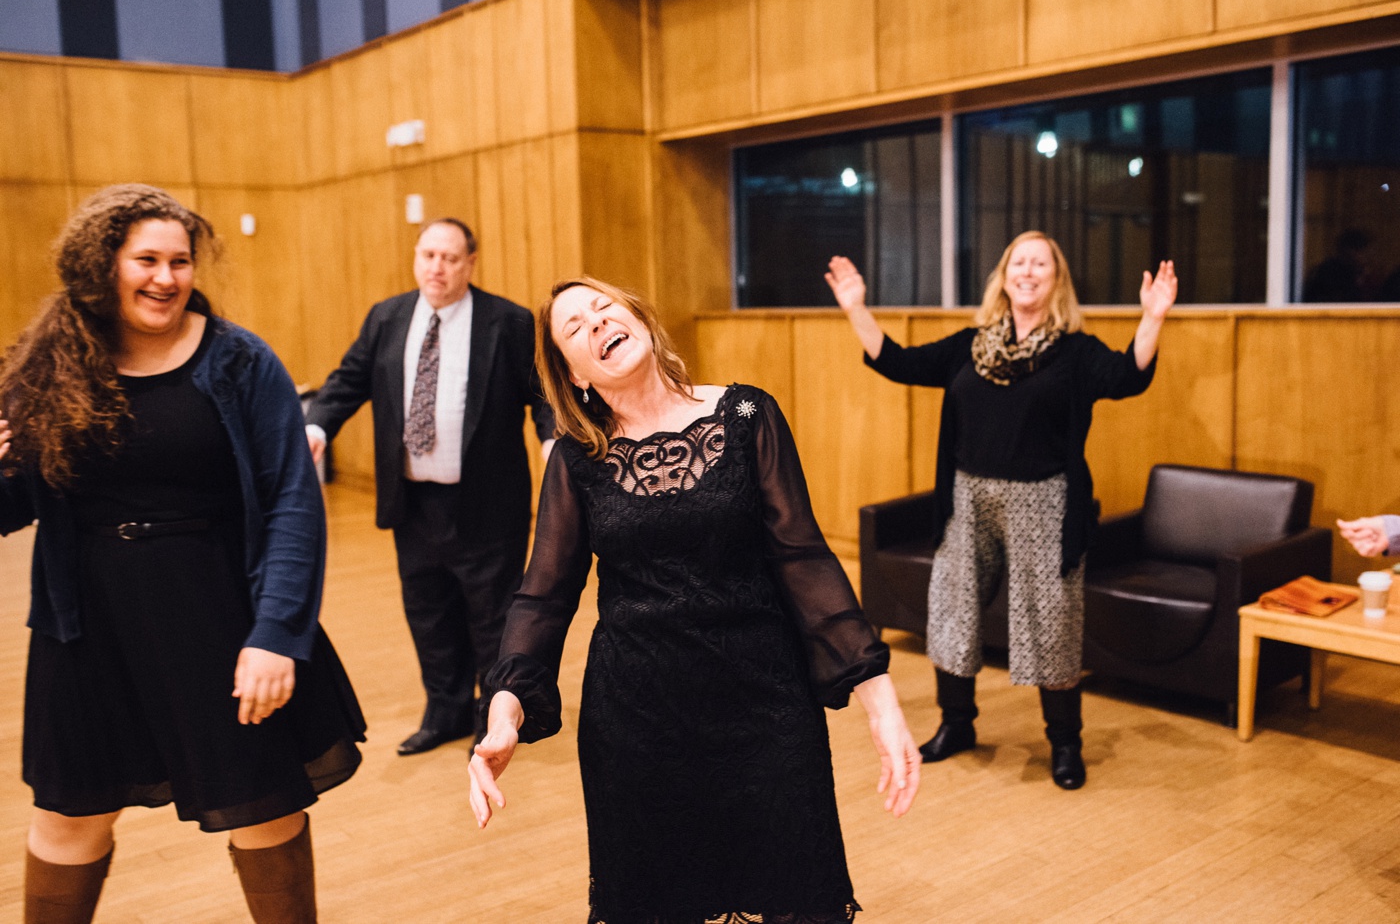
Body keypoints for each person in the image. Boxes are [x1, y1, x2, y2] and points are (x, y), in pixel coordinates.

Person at [467, 277, 920, 922]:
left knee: (795, 886)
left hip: (765, 703)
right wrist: (505, 709)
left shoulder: (745, 416)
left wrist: (878, 698)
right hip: (638, 721)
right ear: (574, 378)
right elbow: (542, 596)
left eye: (604, 307)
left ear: (640, 319)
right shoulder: (575, 461)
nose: (596, 324)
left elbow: (802, 556)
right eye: (574, 329)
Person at [0, 183, 365, 923]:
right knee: (71, 817)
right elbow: (16, 506)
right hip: (87, 628)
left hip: (216, 615)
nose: (165, 278)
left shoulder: (239, 363)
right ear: (101, 264)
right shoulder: (50, 361)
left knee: (264, 809)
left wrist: (276, 636)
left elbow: (293, 503)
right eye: (146, 260)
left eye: (180, 261)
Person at [825, 231, 1176, 790]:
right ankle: (956, 725)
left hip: (1045, 500)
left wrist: (1153, 317)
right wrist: (856, 309)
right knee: (952, 609)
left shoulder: (1074, 351)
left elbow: (1129, 376)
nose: (1029, 271)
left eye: (1041, 263)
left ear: (1056, 278)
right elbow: (897, 362)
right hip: (968, 495)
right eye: (1019, 262)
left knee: (1051, 623)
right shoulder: (973, 344)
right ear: (1004, 276)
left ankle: (1065, 746)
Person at [304, 218, 554, 756]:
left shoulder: (506, 321)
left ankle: (494, 721)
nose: (436, 267)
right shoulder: (387, 317)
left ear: (470, 263)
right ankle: (445, 712)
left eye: (449, 258)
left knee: (492, 617)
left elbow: (543, 393)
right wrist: (317, 425)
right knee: (429, 612)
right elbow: (347, 380)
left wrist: (553, 441)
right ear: (416, 258)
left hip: (486, 501)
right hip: (413, 501)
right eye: (427, 256)